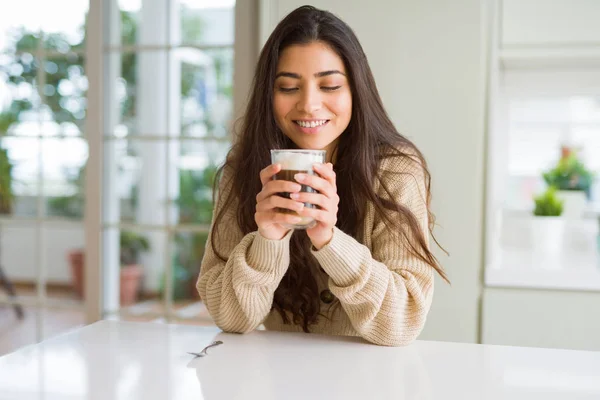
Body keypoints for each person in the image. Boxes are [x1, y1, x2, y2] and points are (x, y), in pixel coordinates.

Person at [197, 5, 448, 347]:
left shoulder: (395, 171)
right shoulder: (242, 171)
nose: (309, 105)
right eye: (288, 88)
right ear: (268, 96)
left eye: (329, 85)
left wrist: (329, 241)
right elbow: (231, 319)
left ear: (356, 90)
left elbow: (402, 322)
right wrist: (266, 240)